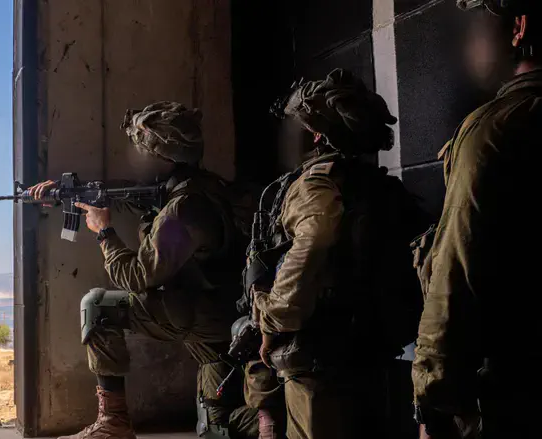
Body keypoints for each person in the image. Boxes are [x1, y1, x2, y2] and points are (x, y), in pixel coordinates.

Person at [29, 101, 258, 439]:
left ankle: (114, 423)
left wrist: (104, 232)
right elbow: (133, 194)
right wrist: (70, 193)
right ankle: (278, 422)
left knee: (98, 307)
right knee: (216, 426)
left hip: (206, 314)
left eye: (142, 150)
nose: (135, 158)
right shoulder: (200, 185)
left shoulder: (184, 209)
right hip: (225, 314)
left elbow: (137, 277)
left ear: (162, 157)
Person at [250, 68, 426, 439]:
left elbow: (315, 237)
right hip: (375, 346)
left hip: (321, 353)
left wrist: (273, 319)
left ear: (316, 134)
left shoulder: (315, 182)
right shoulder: (378, 185)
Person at [413, 2, 542, 438]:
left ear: (518, 27)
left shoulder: (494, 129)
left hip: (515, 392)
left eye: (480, 24)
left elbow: (455, 270)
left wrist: (430, 398)